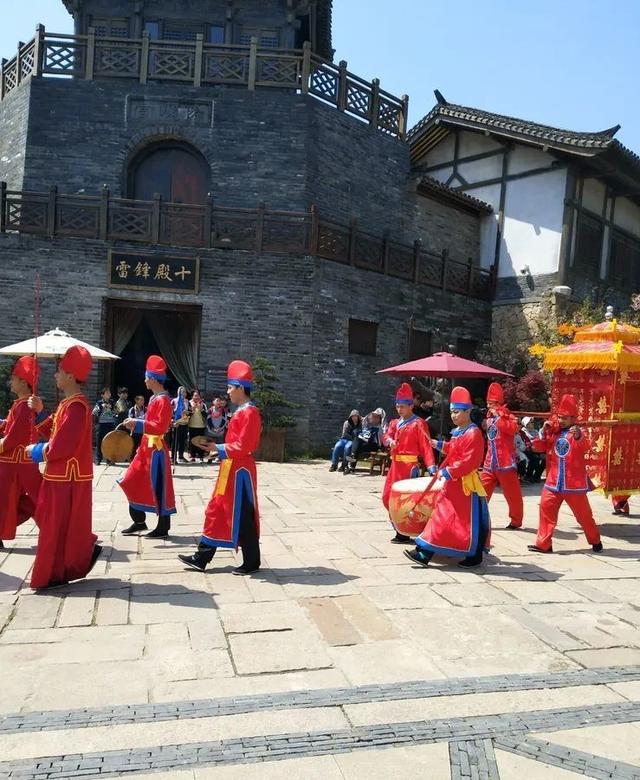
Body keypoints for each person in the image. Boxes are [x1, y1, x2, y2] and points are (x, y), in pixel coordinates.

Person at [26, 346, 101, 589]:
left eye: (59, 371)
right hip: (59, 476)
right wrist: (39, 411)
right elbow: (54, 430)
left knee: (56, 527)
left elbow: (62, 445)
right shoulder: (68, 404)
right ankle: (57, 569)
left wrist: (37, 451)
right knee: (54, 526)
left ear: (70, 375)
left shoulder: (77, 407)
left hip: (66, 478)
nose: (55, 376)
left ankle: (55, 572)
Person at [179, 360, 261, 576]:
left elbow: (246, 445)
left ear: (241, 388)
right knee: (217, 508)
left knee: (241, 515)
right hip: (231, 467)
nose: (227, 392)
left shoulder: (249, 413)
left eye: (230, 387)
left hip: (240, 471)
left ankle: (251, 561)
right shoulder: (241, 411)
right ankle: (202, 557)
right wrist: (219, 449)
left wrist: (220, 447)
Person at [404, 386, 490, 569]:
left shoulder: (473, 433)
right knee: (446, 517)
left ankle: (427, 553)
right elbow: (454, 450)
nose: (453, 416)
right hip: (454, 484)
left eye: (457, 412)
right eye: (452, 412)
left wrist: (447, 472)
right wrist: (440, 445)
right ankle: (427, 551)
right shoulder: (460, 432)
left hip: (465, 485)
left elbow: (469, 461)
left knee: (457, 519)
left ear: (468, 412)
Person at [527, 394, 602, 554]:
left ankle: (595, 540)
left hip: (573, 484)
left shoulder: (580, 432)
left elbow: (585, 446)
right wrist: (543, 433)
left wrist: (578, 436)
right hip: (553, 481)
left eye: (565, 418)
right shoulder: (554, 432)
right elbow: (540, 447)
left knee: (583, 516)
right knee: (546, 510)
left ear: (573, 418)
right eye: (560, 417)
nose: (561, 421)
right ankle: (543, 544)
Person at [119, 356, 176, 538]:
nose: (144, 380)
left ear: (152, 379)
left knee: (159, 485)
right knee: (131, 480)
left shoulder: (163, 400)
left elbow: (160, 426)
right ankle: (139, 520)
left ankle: (163, 526)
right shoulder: (154, 398)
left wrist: (137, 423)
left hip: (156, 449)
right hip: (146, 447)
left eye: (145, 377)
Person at [383, 383, 436, 543]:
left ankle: (405, 532)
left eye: (403, 407)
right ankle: (399, 526)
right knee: (387, 497)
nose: (400, 410)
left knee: (407, 500)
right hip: (395, 466)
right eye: (398, 406)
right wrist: (389, 440)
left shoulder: (418, 423)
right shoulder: (394, 423)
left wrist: (431, 467)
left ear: (411, 406)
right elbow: (386, 436)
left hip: (409, 467)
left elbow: (426, 447)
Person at [0, 357, 42, 549]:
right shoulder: (21, 403)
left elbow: (14, 437)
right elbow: (11, 429)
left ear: (24, 382)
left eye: (15, 378)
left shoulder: (25, 405)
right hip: (18, 461)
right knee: (33, 499)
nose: (11, 382)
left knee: (35, 500)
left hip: (15, 462)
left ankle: (58, 531)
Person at [480, 383, 524, 530]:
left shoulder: (507, 416)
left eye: (491, 403)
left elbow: (513, 430)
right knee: (481, 493)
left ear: (499, 404)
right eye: (488, 403)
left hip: (505, 462)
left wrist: (499, 416)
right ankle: (477, 517)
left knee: (512, 494)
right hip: (489, 463)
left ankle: (516, 520)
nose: (489, 406)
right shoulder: (488, 418)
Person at [345, 408, 385, 474]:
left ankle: (351, 463)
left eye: (376, 417)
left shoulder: (381, 428)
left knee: (357, 446)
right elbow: (364, 429)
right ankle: (352, 464)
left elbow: (380, 441)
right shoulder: (368, 425)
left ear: (379, 418)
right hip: (367, 442)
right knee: (357, 442)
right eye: (373, 416)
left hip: (375, 445)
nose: (374, 418)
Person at [93, 387, 117, 465]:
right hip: (101, 424)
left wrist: (113, 412)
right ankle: (98, 459)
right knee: (99, 442)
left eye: (109, 393)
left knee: (109, 442)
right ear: (102, 395)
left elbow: (116, 412)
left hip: (110, 424)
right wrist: (101, 408)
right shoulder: (99, 403)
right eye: (107, 393)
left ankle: (109, 459)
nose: (109, 394)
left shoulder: (112, 402)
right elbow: (94, 413)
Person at [206, 396, 230, 464]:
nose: (218, 402)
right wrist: (212, 428)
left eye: (219, 401)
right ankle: (210, 459)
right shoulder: (210, 410)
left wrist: (220, 428)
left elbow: (224, 420)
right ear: (213, 402)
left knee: (220, 445)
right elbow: (208, 420)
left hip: (220, 431)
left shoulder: (223, 411)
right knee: (211, 445)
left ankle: (219, 458)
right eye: (217, 401)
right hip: (211, 431)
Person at [521, 416, 545, 483]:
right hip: (528, 450)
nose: (533, 423)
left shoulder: (535, 431)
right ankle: (528, 476)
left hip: (537, 450)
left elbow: (540, 439)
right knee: (535, 459)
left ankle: (536, 476)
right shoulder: (523, 431)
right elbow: (525, 442)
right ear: (527, 424)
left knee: (545, 459)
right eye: (531, 422)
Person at [188, 390, 207, 462]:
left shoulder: (203, 404)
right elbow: (186, 415)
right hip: (191, 425)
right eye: (195, 395)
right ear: (192, 396)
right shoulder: (189, 403)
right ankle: (192, 456)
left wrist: (201, 409)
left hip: (201, 425)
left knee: (201, 441)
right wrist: (192, 410)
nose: (196, 397)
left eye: (198, 395)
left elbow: (206, 415)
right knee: (192, 441)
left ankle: (201, 456)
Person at [171, 386, 189, 463]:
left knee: (182, 440)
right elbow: (171, 411)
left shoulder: (187, 401)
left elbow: (189, 411)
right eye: (181, 392)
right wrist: (172, 421)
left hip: (184, 422)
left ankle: (181, 456)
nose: (183, 393)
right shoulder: (174, 401)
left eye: (184, 392)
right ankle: (173, 457)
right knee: (175, 440)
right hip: (176, 422)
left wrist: (187, 413)